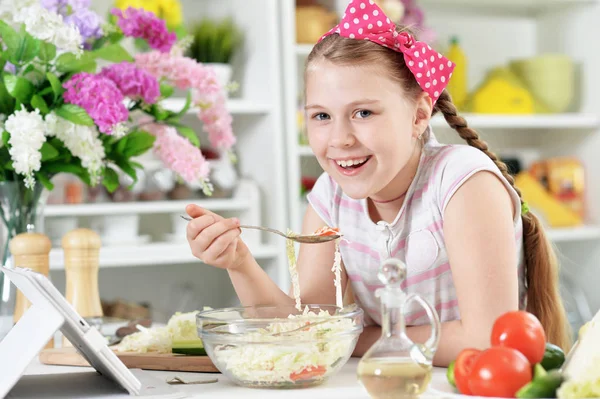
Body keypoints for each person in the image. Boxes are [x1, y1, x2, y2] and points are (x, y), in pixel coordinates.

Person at [185, 0, 571, 366]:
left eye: (363, 112)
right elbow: (304, 327)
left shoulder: (463, 182)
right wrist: (238, 262)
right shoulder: (329, 197)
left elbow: (487, 340)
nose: (340, 139)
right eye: (321, 116)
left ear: (419, 115)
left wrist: (353, 338)